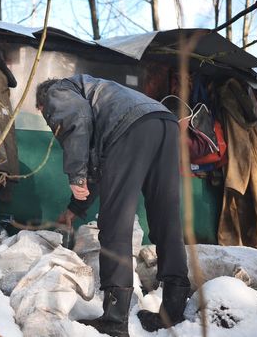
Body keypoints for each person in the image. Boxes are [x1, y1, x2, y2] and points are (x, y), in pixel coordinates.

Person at [35, 75, 191, 336]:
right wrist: (75, 208)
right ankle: (173, 310)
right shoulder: (101, 98)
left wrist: (75, 175)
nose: (50, 120)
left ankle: (115, 319)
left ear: (44, 100)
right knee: (166, 218)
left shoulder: (57, 90)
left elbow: (75, 119)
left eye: (45, 114)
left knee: (115, 222)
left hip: (132, 128)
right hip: (165, 123)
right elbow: (99, 169)